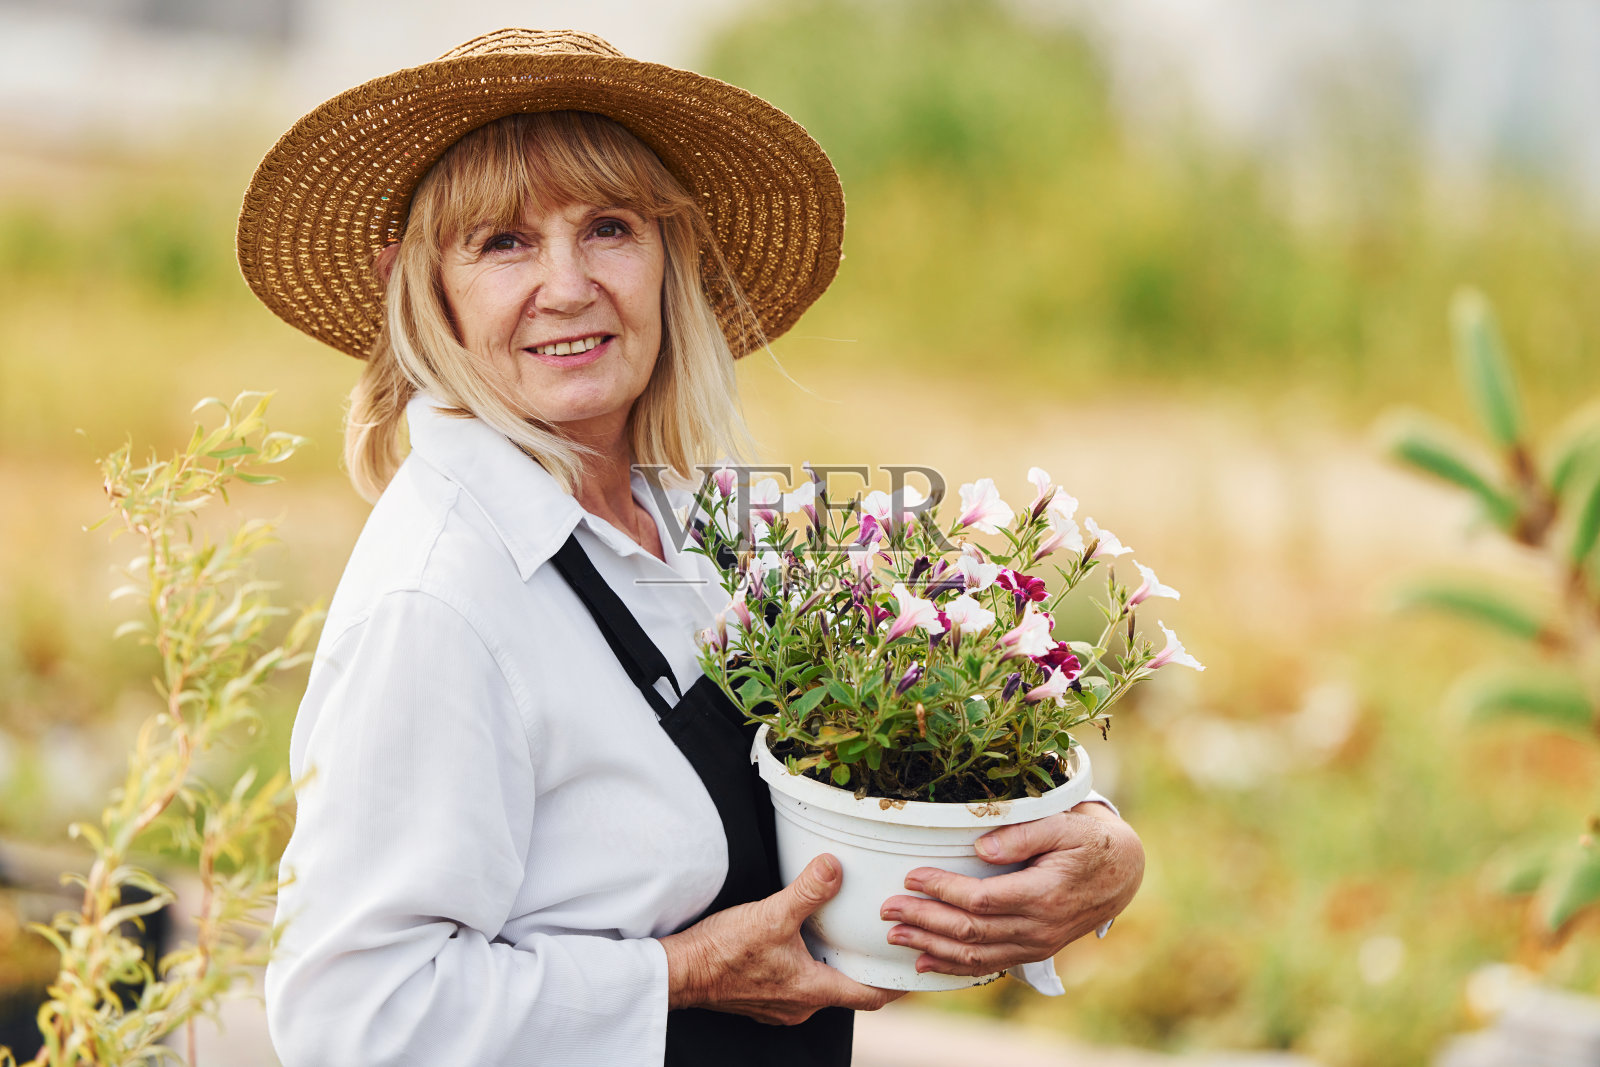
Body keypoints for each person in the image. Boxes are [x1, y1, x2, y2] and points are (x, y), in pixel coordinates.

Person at [236, 28, 1145, 1067]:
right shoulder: (443, 595)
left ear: (674, 259)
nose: (569, 285)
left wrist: (1096, 845)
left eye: (609, 227)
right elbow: (351, 1015)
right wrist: (680, 973)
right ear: (419, 283)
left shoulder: (695, 519)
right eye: (502, 243)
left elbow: (881, 780)